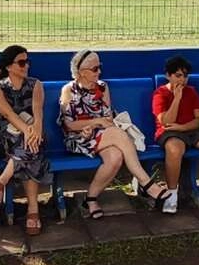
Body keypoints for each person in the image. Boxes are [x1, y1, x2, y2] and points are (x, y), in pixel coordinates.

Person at [59, 50, 169, 219]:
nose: (99, 72)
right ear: (82, 72)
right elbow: (69, 124)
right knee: (118, 135)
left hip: (103, 134)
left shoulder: (103, 87)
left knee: (116, 157)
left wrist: (99, 123)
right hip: (79, 138)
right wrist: (94, 123)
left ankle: (90, 199)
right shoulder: (68, 90)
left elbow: (108, 118)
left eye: (99, 67)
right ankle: (147, 183)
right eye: (95, 69)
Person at [152, 55, 199, 213]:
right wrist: (177, 98)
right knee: (175, 149)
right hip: (169, 132)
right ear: (168, 75)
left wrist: (183, 127)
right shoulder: (160, 94)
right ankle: (172, 194)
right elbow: (166, 121)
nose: (182, 80)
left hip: (190, 129)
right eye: (178, 75)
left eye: (185, 76)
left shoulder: (192, 92)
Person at [0, 44, 50, 237]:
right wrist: (29, 133)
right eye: (21, 62)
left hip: (33, 134)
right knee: (33, 151)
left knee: (32, 147)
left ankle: (0, 183)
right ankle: (33, 211)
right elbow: (8, 114)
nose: (26, 66)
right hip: (5, 139)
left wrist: (35, 130)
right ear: (8, 66)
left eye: (27, 62)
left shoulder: (35, 84)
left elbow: (38, 111)